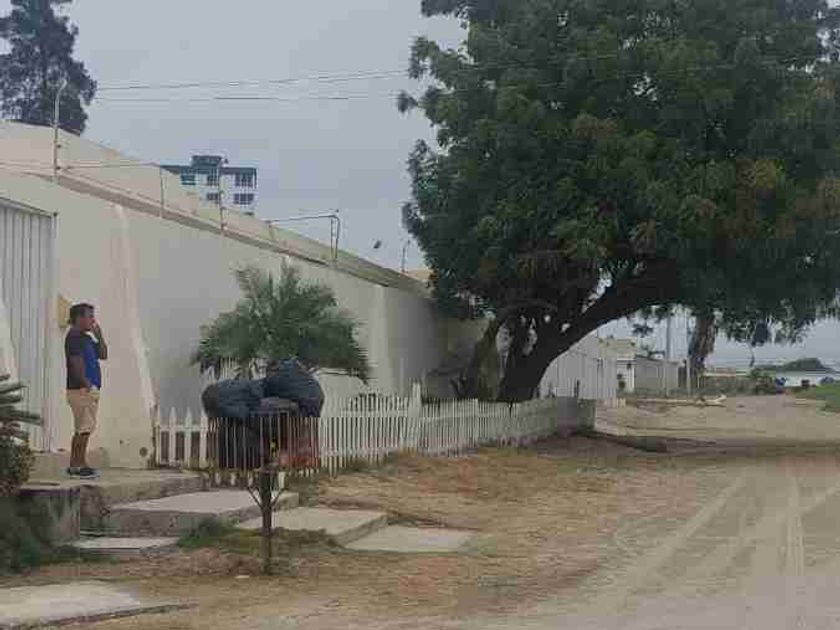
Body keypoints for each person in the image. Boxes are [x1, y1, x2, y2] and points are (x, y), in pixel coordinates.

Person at [65, 303, 108, 478]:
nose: (93, 320)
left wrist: (100, 336)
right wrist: (87, 384)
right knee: (85, 428)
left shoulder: (86, 338)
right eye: (90, 316)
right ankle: (79, 465)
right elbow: (76, 362)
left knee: (82, 428)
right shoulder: (74, 337)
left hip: (85, 389)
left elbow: (103, 355)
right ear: (79, 318)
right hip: (81, 390)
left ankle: (75, 465)